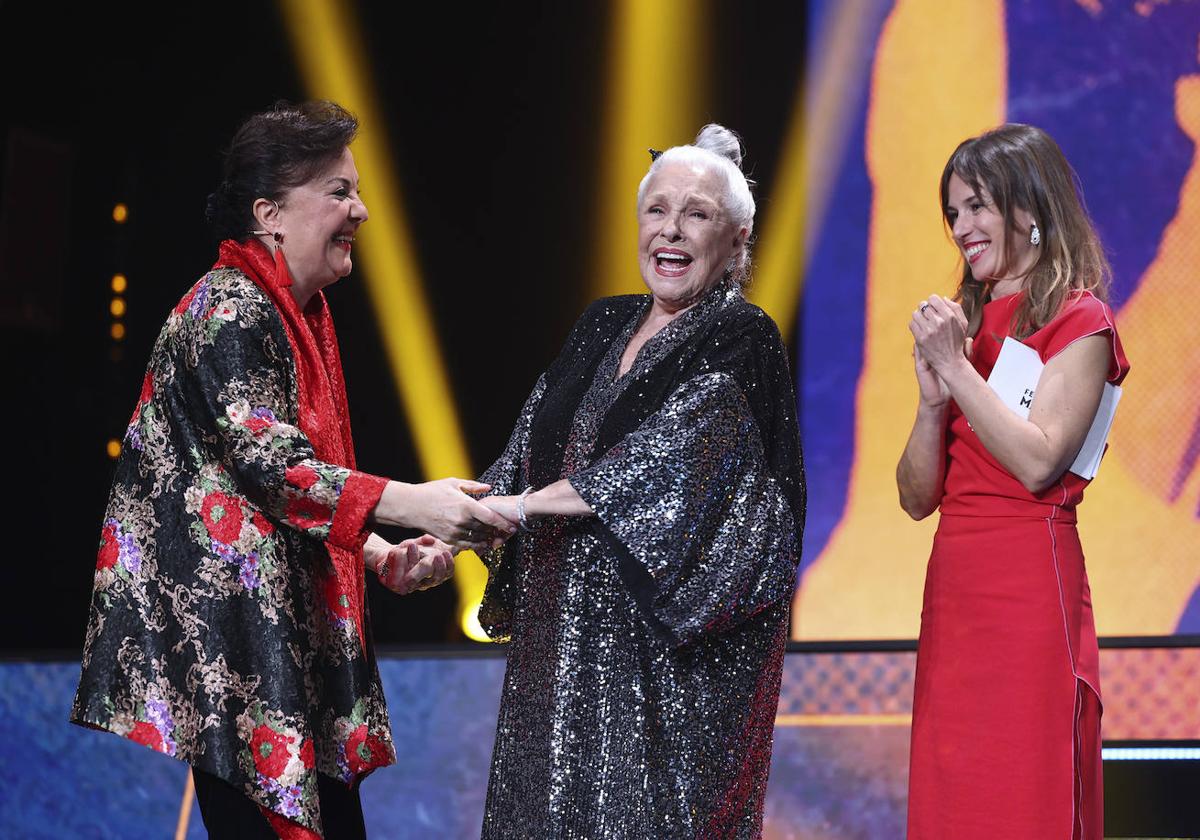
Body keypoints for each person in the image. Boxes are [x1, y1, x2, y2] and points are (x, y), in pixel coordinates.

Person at [71, 101, 514, 840]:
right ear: (269, 213)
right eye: (339, 191)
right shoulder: (231, 306)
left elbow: (284, 484)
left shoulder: (298, 313)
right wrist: (414, 504)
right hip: (236, 656)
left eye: (358, 191)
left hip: (284, 646)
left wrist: (376, 552)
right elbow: (271, 466)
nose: (362, 211)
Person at [474, 124, 806, 838]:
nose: (672, 229)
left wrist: (517, 508)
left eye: (698, 214)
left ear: (737, 242)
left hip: (659, 659)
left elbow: (666, 460)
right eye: (657, 209)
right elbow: (529, 446)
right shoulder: (602, 323)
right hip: (556, 633)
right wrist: (457, 525)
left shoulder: (742, 338)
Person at [898, 124, 1129, 839]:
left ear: (1029, 211)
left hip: (1029, 585)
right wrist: (935, 402)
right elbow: (914, 497)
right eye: (954, 213)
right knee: (955, 784)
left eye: (977, 207)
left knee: (1025, 787)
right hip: (957, 584)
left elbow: (1038, 461)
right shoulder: (966, 323)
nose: (962, 228)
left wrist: (958, 370)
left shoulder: (1080, 320)